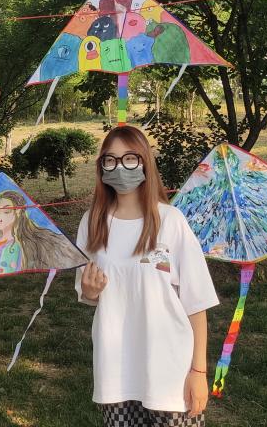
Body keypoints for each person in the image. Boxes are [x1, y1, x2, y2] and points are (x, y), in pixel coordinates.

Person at [76, 125, 219, 427]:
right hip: (116, 372)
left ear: (145, 162)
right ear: (101, 167)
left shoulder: (170, 221)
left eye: (130, 158)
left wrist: (198, 371)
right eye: (110, 160)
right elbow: (88, 293)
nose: (120, 168)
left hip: (170, 374)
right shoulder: (92, 223)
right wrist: (90, 291)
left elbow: (197, 302)